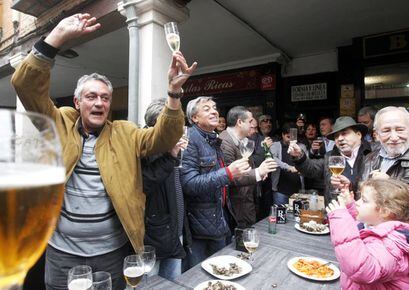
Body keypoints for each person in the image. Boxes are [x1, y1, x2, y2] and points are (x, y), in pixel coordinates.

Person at [11, 13, 196, 290]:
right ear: (77, 102)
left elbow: (164, 137)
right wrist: (56, 38)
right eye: (91, 96)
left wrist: (173, 93)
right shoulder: (59, 122)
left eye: (105, 98)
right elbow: (25, 85)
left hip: (113, 254)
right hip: (63, 255)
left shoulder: (125, 132)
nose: (99, 103)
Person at [180, 97, 251, 269]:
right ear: (194, 118)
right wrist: (228, 173)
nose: (214, 111)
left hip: (220, 218)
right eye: (206, 109)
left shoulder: (213, 139)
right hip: (201, 226)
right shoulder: (190, 140)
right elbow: (189, 184)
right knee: (201, 275)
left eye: (214, 107)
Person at [326, 178, 409, 289]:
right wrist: (350, 205)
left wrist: (341, 218)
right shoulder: (377, 223)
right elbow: (363, 222)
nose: (358, 203)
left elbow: (363, 270)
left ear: (385, 211)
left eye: (364, 200)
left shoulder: (391, 244)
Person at [142, 99, 189, 280]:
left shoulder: (173, 147)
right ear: (158, 123)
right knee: (151, 283)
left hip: (174, 230)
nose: (180, 127)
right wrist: (170, 156)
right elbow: (143, 185)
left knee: (173, 283)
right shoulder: (145, 147)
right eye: (174, 123)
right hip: (153, 237)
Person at [289, 117, 371, 204]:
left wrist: (351, 185)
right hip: (337, 211)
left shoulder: (372, 155)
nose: (340, 139)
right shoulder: (331, 156)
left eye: (344, 134)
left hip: (365, 212)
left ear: (358, 134)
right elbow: (312, 168)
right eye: (336, 136)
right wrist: (299, 157)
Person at [219, 106, 277, 227]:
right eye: (250, 121)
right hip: (237, 206)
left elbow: (248, 166)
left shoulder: (244, 140)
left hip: (248, 200)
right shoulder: (225, 142)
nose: (252, 125)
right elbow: (230, 177)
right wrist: (258, 172)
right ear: (239, 122)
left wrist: (260, 172)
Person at [333, 106, 409, 190]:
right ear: (377, 135)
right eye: (386, 131)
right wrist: (350, 186)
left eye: (400, 130)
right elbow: (362, 193)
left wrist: (390, 184)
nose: (394, 137)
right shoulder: (370, 158)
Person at [270, 123, 307, 205]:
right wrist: (288, 167)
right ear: (283, 135)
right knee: (280, 215)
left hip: (298, 189)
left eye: (293, 137)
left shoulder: (301, 147)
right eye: (288, 137)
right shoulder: (276, 145)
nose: (291, 140)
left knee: (297, 215)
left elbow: (307, 163)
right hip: (281, 190)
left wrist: (303, 169)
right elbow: (273, 159)